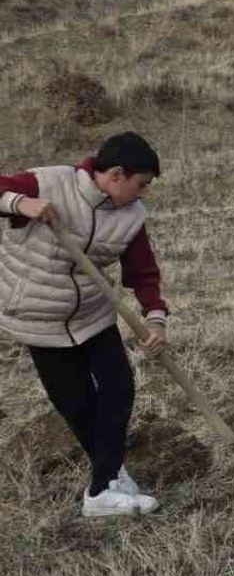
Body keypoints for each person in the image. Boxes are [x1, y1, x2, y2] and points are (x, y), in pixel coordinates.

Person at [0, 133, 170, 517]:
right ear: (115, 174)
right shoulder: (49, 182)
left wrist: (156, 319)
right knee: (77, 401)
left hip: (93, 312)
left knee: (119, 388)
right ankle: (104, 488)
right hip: (37, 312)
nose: (142, 195)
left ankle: (105, 480)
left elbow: (143, 273)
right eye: (140, 185)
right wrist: (19, 202)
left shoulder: (131, 215)